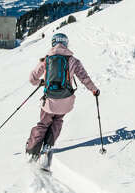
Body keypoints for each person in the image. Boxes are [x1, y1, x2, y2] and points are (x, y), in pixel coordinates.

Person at [26, 32, 99, 164]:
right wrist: (94, 90)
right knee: (57, 122)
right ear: (66, 44)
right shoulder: (73, 61)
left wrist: (41, 83)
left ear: (53, 43)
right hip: (66, 101)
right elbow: (84, 78)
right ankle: (48, 146)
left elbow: (32, 79)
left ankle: (32, 152)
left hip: (49, 101)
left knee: (43, 124)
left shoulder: (46, 60)